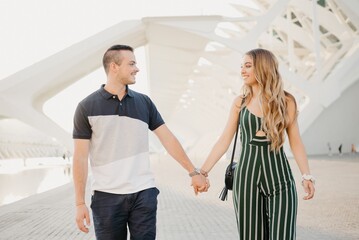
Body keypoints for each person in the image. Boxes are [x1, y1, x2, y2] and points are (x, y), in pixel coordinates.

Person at [72, 44, 209, 240]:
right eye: (132, 63)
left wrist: (193, 172)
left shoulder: (144, 102)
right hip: (106, 197)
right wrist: (79, 203)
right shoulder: (86, 107)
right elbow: (80, 157)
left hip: (143, 194)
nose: (137, 68)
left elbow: (168, 138)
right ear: (114, 67)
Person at [200, 48, 315, 239]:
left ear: (262, 67)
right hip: (247, 180)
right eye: (241, 66)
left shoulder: (286, 102)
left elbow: (296, 142)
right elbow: (224, 140)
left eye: (248, 66)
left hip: (281, 180)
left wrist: (307, 175)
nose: (242, 71)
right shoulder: (240, 102)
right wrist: (202, 172)